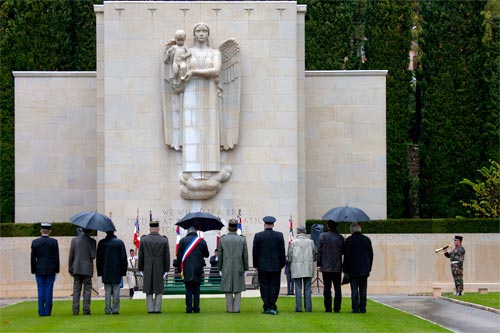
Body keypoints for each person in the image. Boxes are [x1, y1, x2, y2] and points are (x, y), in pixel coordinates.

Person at [252, 216, 286, 315]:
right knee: (275, 286)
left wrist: (256, 265)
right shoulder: (279, 235)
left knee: (264, 286)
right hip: (276, 266)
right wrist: (282, 264)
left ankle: (267, 306)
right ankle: (272, 305)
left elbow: (255, 252)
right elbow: (282, 251)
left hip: (262, 266)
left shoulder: (258, 236)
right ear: (273, 225)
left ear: (264, 224)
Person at [138, 220, 170, 314]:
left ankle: (150, 308)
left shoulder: (143, 239)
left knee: (149, 289)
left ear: (150, 229)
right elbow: (166, 256)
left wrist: (140, 268)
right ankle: (157, 308)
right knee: (159, 289)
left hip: (147, 267)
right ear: (158, 229)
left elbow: (141, 255)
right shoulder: (164, 240)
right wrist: (166, 269)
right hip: (159, 268)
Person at [217, 219, 249, 313]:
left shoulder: (223, 239)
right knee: (238, 288)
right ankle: (236, 308)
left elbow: (220, 255)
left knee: (228, 288)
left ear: (228, 227)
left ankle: (230, 308)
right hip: (239, 266)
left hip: (226, 266)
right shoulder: (242, 239)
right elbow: (245, 256)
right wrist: (246, 268)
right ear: (236, 228)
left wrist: (219, 268)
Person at [177, 225, 209, 313]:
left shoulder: (182, 241)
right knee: (197, 289)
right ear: (196, 232)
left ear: (187, 232)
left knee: (188, 289)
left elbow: (179, 256)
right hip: (198, 268)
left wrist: (179, 270)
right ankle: (196, 307)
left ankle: (188, 308)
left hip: (186, 269)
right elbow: (207, 254)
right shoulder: (201, 241)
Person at [31, 223, 60, 316]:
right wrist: (57, 269)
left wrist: (33, 269)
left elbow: (32, 258)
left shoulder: (35, 242)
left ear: (41, 231)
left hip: (39, 268)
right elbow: (56, 257)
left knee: (40, 289)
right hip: (50, 268)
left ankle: (41, 311)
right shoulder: (53, 242)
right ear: (50, 231)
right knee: (48, 289)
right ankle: (47, 311)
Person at [343, 223, 373, 314]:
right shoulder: (367, 240)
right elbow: (371, 255)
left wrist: (345, 269)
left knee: (354, 289)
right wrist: (369, 267)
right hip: (364, 268)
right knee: (363, 289)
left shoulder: (349, 240)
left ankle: (355, 308)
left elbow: (347, 256)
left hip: (353, 269)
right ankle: (363, 307)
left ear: (352, 230)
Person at [96, 231, 127, 315]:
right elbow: (123, 258)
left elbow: (98, 259)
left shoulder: (102, 243)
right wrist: (123, 271)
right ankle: (115, 309)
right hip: (117, 270)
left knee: (107, 290)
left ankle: (107, 309)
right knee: (116, 290)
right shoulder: (119, 243)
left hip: (105, 270)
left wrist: (100, 271)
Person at [317, 220, 345, 313]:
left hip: (326, 266)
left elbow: (319, 252)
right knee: (337, 288)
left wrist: (319, 264)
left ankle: (328, 308)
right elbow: (343, 251)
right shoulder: (340, 237)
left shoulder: (322, 236)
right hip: (337, 266)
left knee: (327, 288)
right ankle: (337, 308)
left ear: (328, 226)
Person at [68, 228, 97, 315]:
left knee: (76, 290)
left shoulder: (74, 240)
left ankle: (75, 310)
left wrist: (70, 268)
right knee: (87, 290)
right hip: (87, 269)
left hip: (76, 268)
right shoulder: (92, 241)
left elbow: (71, 255)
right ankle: (86, 309)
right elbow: (93, 256)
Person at [288, 226, 316, 312]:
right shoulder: (310, 242)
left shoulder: (293, 243)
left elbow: (290, 255)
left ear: (297, 232)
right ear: (305, 231)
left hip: (297, 267)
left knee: (298, 288)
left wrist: (290, 262)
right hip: (308, 266)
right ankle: (308, 308)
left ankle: (298, 307)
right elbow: (314, 254)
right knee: (307, 288)